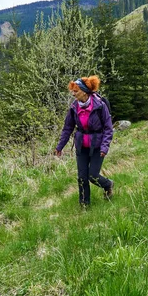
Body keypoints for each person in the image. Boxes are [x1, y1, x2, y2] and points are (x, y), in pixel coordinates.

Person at [55, 75, 114, 207]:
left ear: (84, 91)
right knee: (82, 177)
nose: (73, 93)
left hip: (97, 146)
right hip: (81, 146)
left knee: (92, 175)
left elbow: (108, 128)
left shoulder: (100, 106)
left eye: (76, 91)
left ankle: (108, 184)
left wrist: (105, 147)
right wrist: (60, 147)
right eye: (72, 90)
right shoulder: (74, 107)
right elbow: (67, 128)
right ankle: (84, 205)